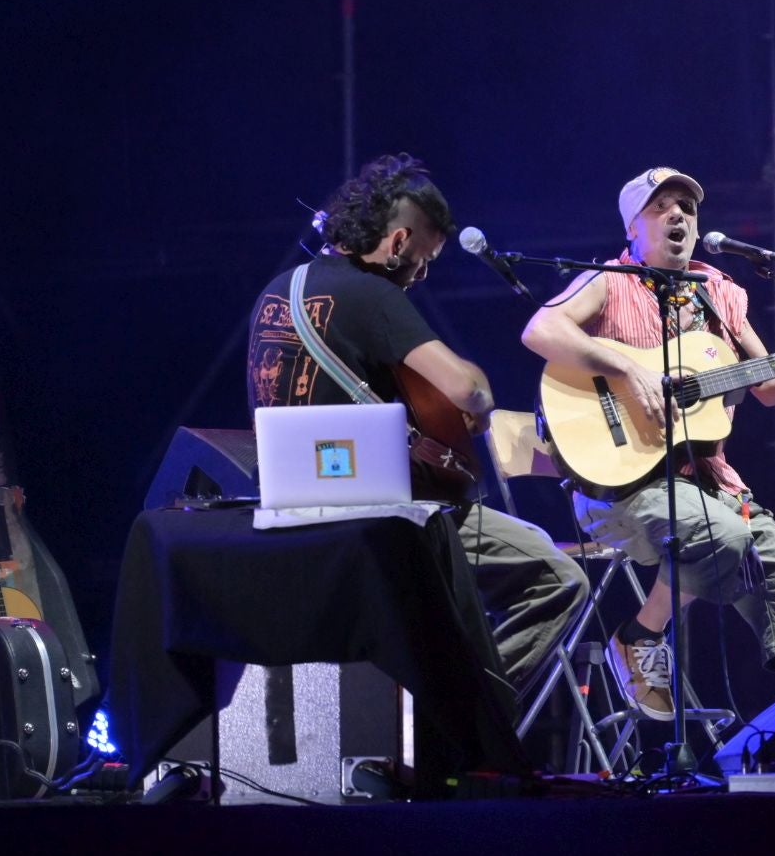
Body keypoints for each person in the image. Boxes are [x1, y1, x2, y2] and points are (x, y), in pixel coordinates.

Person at [521, 167, 775, 721]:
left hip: (710, 484)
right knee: (723, 534)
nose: (678, 216)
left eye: (686, 208)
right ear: (632, 227)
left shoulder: (718, 292)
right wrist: (625, 367)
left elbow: (763, 383)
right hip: (621, 486)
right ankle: (641, 633)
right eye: (660, 206)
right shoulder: (608, 280)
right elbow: (540, 331)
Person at [247, 153, 587, 710]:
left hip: (296, 516)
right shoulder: (372, 294)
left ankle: (432, 710)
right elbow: (468, 391)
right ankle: (465, 720)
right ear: (399, 241)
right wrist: (475, 395)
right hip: (386, 515)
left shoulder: (277, 292)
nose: (420, 276)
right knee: (557, 576)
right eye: (423, 260)